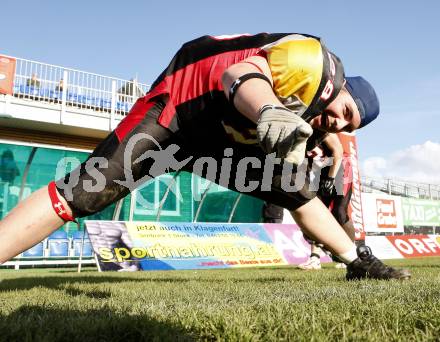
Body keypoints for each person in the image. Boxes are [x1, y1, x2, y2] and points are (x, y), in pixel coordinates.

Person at [0, 33, 410, 280]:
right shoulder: (311, 59)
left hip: (219, 140)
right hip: (182, 108)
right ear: (340, 89)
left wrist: (330, 141)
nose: (339, 123)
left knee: (294, 190)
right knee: (83, 194)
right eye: (345, 112)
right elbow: (239, 75)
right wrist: (269, 109)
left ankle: (358, 260)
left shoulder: (326, 121)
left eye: (349, 126)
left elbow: (330, 143)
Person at [262, 133, 355, 270]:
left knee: (339, 213)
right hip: (320, 172)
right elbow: (304, 166)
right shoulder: (295, 143)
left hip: (340, 168)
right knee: (316, 213)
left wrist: (331, 178)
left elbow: (338, 151)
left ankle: (353, 255)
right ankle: (314, 259)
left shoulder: (318, 130)